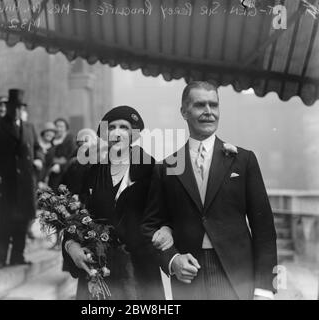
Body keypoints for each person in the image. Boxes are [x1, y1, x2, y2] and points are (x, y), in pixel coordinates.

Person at [142, 81, 278, 300]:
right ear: (184, 112)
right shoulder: (167, 166)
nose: (208, 112)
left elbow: (264, 229)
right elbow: (150, 226)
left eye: (213, 105)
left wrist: (265, 288)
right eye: (200, 105)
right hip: (188, 280)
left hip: (237, 278)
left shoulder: (243, 161)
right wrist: (172, 259)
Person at [61, 106, 170, 300]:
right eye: (112, 128)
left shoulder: (150, 169)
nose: (117, 133)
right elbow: (78, 214)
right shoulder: (93, 171)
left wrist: (166, 229)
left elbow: (163, 214)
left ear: (133, 134)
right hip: (97, 266)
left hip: (138, 271)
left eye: (124, 127)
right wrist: (71, 246)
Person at [0, 89, 44, 268]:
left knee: (22, 221)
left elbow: (37, 147)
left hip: (26, 182)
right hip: (6, 182)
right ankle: (0, 258)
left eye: (20, 107)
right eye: (14, 107)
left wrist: (39, 160)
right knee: (4, 223)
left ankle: (17, 256)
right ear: (9, 108)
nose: (17, 111)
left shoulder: (29, 127)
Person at [47, 118, 75, 191]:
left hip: (67, 175)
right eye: (57, 126)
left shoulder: (70, 140)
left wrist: (61, 166)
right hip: (52, 174)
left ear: (66, 128)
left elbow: (72, 158)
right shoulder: (51, 140)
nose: (59, 129)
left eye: (61, 126)